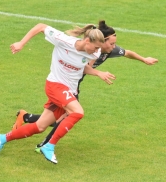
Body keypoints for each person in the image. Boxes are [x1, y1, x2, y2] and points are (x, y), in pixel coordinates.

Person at [11, 20, 158, 153]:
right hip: (65, 84)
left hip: (72, 85)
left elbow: (127, 52)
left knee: (60, 118)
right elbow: (85, 67)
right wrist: (98, 73)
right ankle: (45, 144)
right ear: (101, 41)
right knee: (69, 115)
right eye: (111, 43)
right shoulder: (92, 51)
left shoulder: (107, 50)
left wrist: (144, 59)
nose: (114, 47)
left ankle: (27, 118)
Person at [0, 21, 116, 164]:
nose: (96, 52)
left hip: (69, 91)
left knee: (39, 127)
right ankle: (49, 146)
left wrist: (98, 73)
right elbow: (40, 26)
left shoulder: (95, 51)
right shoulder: (64, 40)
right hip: (55, 85)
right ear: (87, 41)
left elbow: (82, 67)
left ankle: (2, 138)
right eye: (95, 47)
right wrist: (21, 43)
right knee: (77, 112)